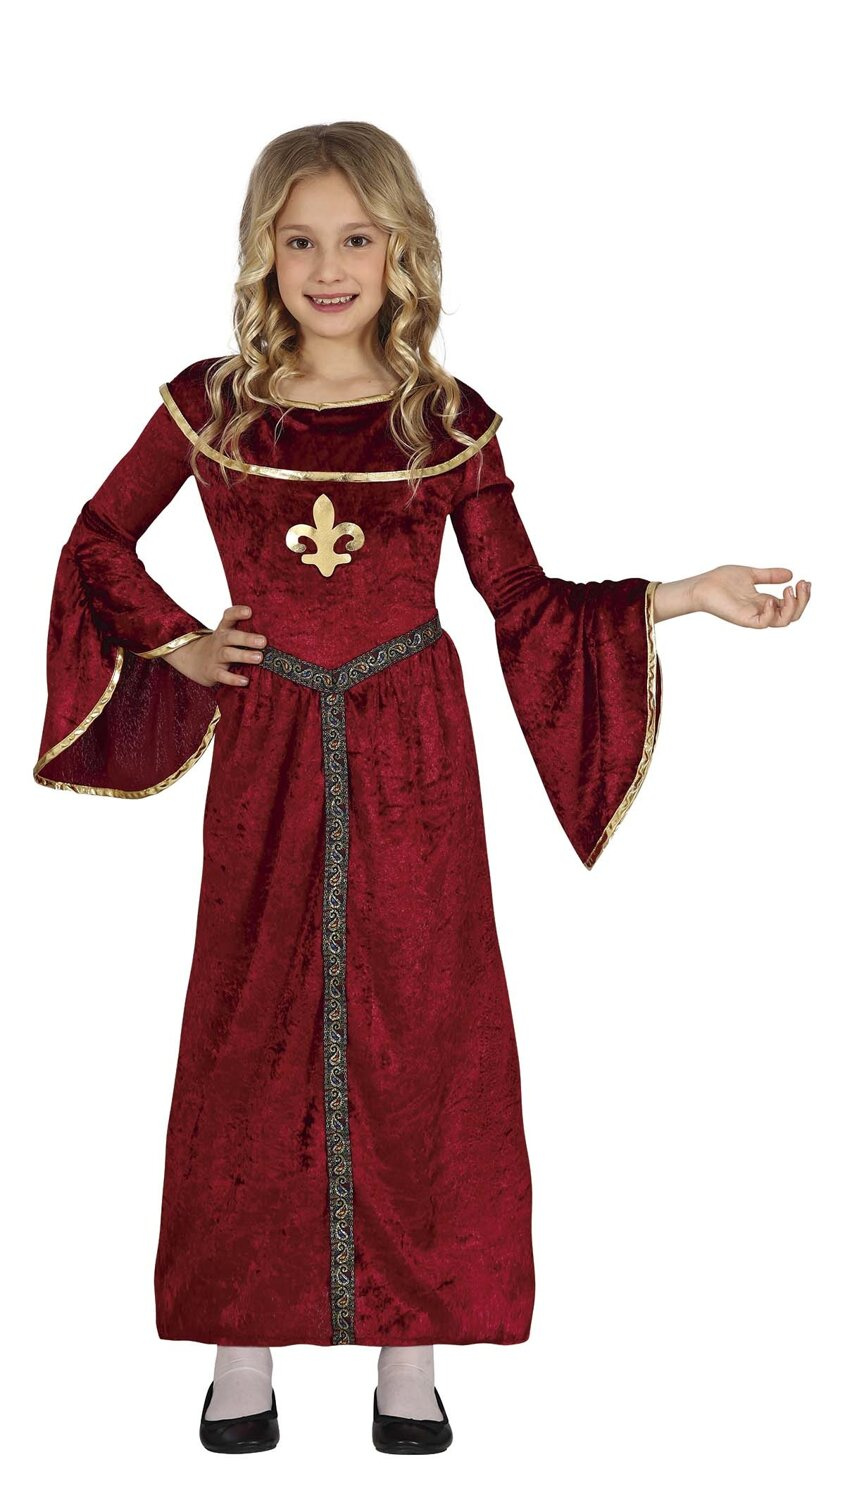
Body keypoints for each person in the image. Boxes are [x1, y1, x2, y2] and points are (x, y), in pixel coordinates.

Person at [33, 121, 810, 1458]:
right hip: (271, 738)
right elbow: (99, 537)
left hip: (412, 753)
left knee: (426, 1025)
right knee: (249, 1019)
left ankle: (413, 1352)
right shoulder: (211, 408)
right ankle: (239, 1346)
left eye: (356, 238)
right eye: (300, 240)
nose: (328, 267)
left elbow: (522, 600)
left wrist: (680, 594)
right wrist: (179, 640)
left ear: (401, 252)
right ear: (263, 252)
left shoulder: (444, 421)